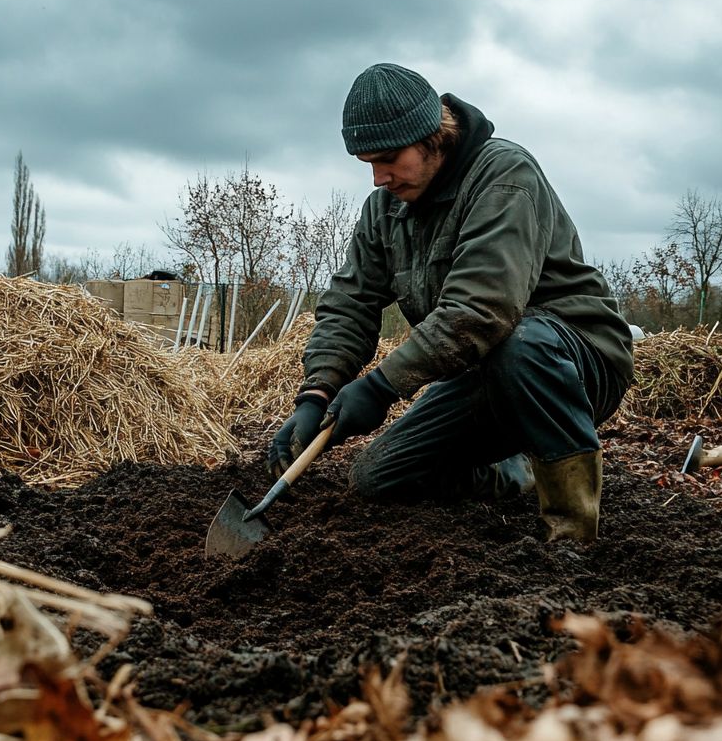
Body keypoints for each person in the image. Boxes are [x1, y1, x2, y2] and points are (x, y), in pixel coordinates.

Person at [267, 63, 634, 542]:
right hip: (483, 372)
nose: (379, 178)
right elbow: (351, 301)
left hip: (574, 363)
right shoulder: (385, 210)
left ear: (432, 137)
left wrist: (380, 388)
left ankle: (571, 532)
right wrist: (316, 394)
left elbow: (481, 311)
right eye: (368, 164)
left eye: (390, 158)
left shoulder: (503, 176)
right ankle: (515, 470)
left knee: (520, 344)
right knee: (377, 478)